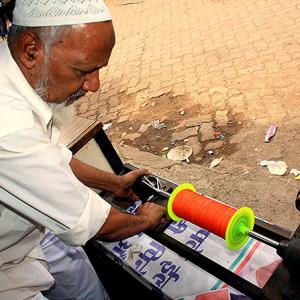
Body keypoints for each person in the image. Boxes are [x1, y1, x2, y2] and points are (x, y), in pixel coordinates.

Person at [0, 0, 166, 299]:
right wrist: (146, 218)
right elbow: (98, 225)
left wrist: (115, 183)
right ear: (30, 50)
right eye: (84, 70)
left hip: (27, 233)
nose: (95, 86)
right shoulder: (9, 127)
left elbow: (49, 158)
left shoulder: (12, 74)